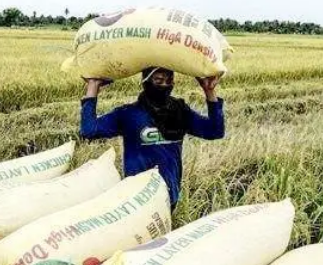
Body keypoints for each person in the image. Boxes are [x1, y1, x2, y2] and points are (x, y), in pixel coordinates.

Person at [79, 67, 225, 210]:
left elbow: (214, 131)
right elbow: (89, 130)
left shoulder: (180, 112)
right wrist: (93, 87)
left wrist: (209, 91)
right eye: (159, 80)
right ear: (146, 82)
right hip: (136, 199)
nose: (165, 85)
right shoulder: (129, 114)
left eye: (169, 81)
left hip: (169, 196)